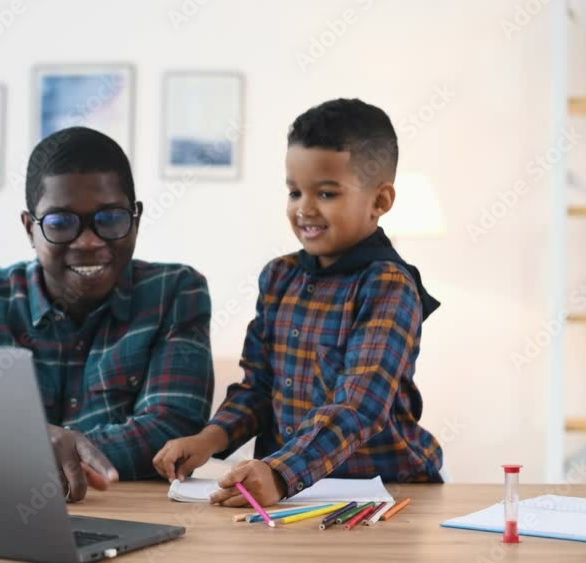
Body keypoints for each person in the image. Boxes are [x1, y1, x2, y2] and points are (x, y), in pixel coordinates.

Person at [153, 98, 444, 507]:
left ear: (380, 201)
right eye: (294, 191)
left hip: (384, 495)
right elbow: (258, 388)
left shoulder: (388, 286)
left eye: (326, 193)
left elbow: (359, 405)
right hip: (290, 495)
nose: (304, 208)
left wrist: (279, 472)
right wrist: (209, 439)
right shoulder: (278, 277)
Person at [0, 127, 214, 502]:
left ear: (135, 219)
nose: (89, 241)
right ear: (30, 228)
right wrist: (33, 443)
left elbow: (171, 426)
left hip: (132, 519)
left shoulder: (176, 291)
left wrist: (18, 447)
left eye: (111, 218)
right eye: (59, 223)